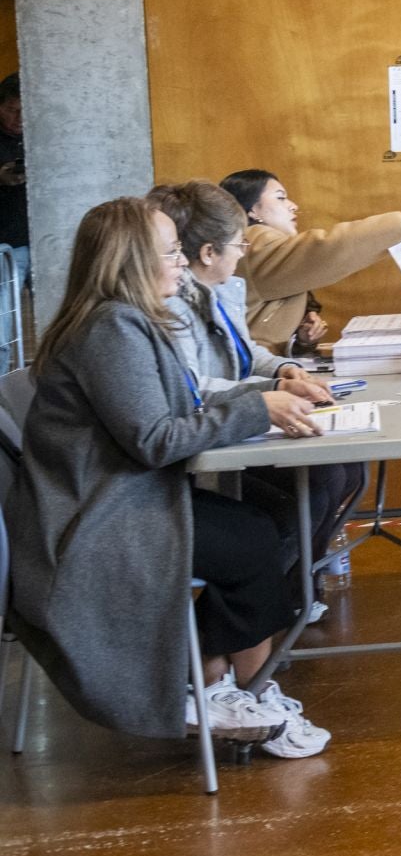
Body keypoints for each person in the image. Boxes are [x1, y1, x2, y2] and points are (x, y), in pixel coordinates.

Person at [2, 198, 331, 757]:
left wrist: (267, 395)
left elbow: (176, 408)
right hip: (97, 518)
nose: (182, 261)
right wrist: (260, 410)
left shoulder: (124, 319)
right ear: (131, 260)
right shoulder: (111, 327)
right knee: (253, 541)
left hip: (118, 497)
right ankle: (214, 688)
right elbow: (156, 440)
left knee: (276, 515)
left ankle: (223, 685)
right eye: (171, 251)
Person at [148, 180, 360, 571]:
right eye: (239, 246)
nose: (244, 253)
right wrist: (276, 387)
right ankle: (285, 589)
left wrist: (281, 367)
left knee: (344, 470)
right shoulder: (175, 307)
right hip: (213, 437)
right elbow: (193, 388)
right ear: (209, 253)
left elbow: (246, 354)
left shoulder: (219, 291)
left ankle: (297, 584)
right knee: (318, 483)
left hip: (236, 421)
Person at [220, 169, 401, 352]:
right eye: (281, 198)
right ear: (251, 210)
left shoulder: (266, 246)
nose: (293, 206)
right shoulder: (255, 243)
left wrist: (301, 339)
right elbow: (329, 247)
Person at [0, 73, 27, 373]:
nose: (19, 117)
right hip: (6, 243)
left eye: (24, 109)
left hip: (47, 237)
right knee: (2, 328)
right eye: (12, 109)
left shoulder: (44, 132)